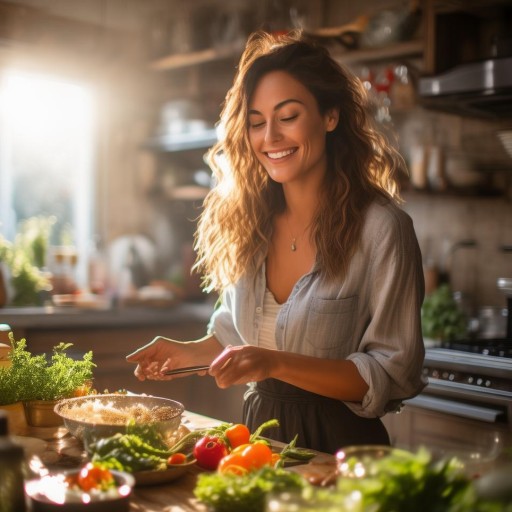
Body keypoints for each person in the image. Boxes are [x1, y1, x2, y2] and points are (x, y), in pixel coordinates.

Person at [126, 30, 426, 454]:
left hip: (342, 449)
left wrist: (275, 363)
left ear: (330, 117)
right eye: (256, 122)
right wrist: (185, 353)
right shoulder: (249, 224)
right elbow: (235, 337)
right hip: (257, 442)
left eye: (287, 117)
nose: (270, 137)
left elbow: (392, 373)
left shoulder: (382, 229)